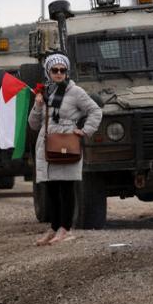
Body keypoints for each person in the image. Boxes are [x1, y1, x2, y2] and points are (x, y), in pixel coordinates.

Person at [28, 53, 102, 245]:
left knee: (66, 188)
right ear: (48, 71)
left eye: (62, 70)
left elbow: (95, 111)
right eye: (55, 70)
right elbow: (33, 125)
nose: (59, 73)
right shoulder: (44, 93)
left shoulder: (75, 91)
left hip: (66, 144)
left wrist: (84, 131)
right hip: (46, 144)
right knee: (50, 189)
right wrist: (37, 106)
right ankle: (54, 228)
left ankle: (66, 228)